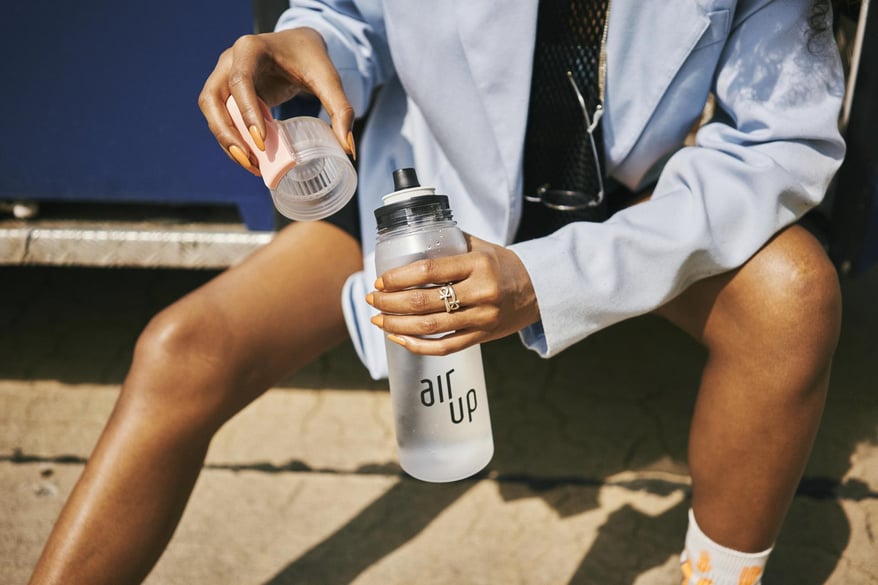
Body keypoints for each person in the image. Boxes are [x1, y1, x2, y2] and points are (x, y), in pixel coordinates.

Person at [28, 1, 846, 583]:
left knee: (794, 297)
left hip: (632, 196)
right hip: (427, 188)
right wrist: (298, 45)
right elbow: (356, 19)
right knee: (182, 349)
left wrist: (545, 279)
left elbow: (780, 143)